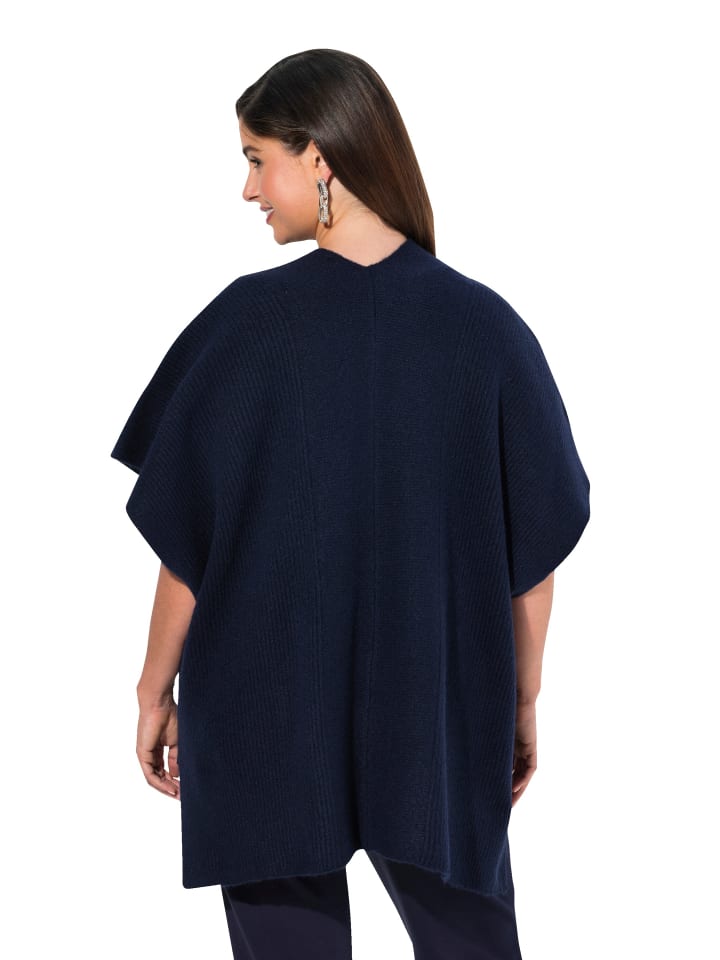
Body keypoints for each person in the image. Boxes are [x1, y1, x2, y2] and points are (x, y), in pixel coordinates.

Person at [110, 48, 590, 960]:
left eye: (258, 159)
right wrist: (522, 701)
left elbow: (188, 548)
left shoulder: (245, 326)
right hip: (436, 710)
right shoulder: (486, 331)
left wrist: (152, 689)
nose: (248, 190)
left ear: (319, 157)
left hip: (263, 710)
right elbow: (533, 557)